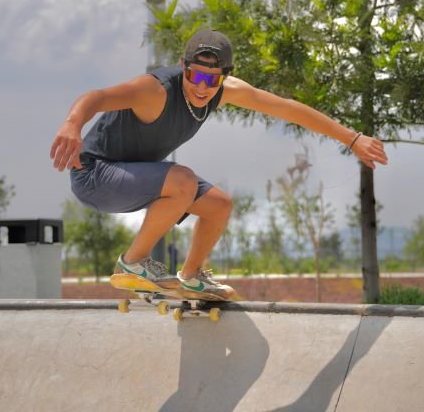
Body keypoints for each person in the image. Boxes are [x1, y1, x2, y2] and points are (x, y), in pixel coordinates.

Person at [49, 28, 389, 299]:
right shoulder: (154, 90)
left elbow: (287, 108)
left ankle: (192, 276)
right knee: (181, 180)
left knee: (219, 205)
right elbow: (98, 96)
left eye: (212, 81)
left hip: (132, 178)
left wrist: (351, 138)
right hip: (93, 174)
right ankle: (133, 263)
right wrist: (72, 123)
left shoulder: (226, 91)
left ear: (225, 77)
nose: (202, 88)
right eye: (195, 76)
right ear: (184, 66)